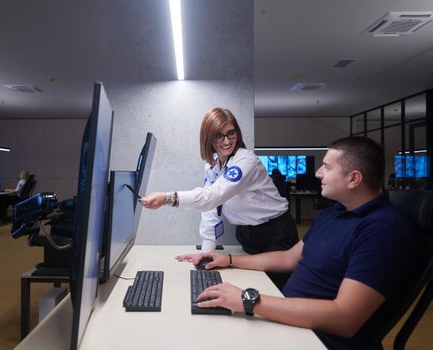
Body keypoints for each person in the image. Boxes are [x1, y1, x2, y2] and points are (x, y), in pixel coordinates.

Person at [176, 136, 416, 350]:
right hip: (289, 321)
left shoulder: (383, 230)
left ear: (354, 179)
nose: (318, 173)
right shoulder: (333, 213)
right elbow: (288, 258)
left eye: (327, 167)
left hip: (316, 339)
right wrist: (228, 260)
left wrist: (249, 300)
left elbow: (345, 318)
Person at [141, 108, 298, 288]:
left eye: (231, 133)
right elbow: (210, 209)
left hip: (276, 233)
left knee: (274, 292)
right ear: (209, 139)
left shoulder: (246, 161)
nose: (226, 141)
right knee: (255, 287)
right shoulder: (212, 164)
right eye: (219, 136)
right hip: (247, 234)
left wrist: (167, 198)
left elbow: (212, 197)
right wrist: (206, 254)